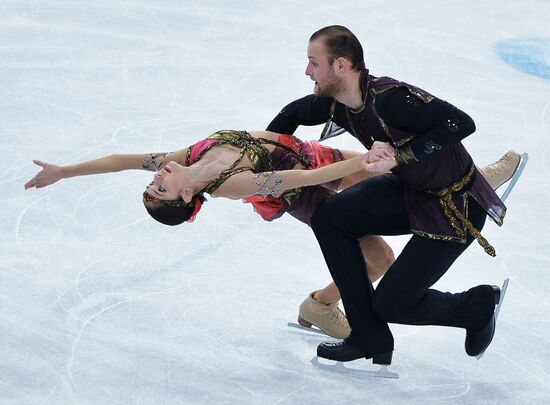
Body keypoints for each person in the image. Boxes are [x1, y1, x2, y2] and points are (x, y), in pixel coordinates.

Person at [266, 25, 523, 364]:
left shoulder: (392, 100)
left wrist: (401, 156)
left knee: (392, 304)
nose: (307, 71)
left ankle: (475, 307)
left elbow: (460, 123)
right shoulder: (336, 104)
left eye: (315, 62)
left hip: (455, 206)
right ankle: (367, 336)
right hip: (411, 190)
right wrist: (264, 161)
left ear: (341, 65)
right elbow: (292, 114)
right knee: (330, 217)